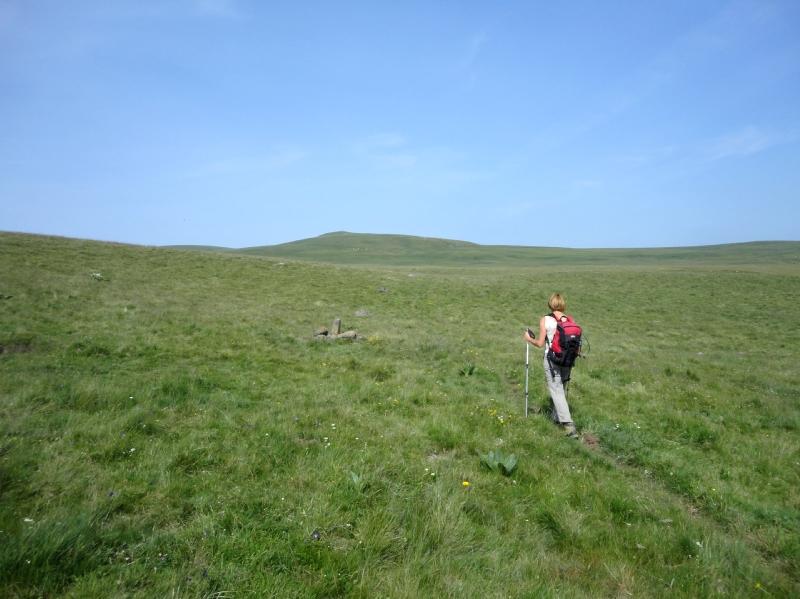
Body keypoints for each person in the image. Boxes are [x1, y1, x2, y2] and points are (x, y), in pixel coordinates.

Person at [523, 293, 578, 437]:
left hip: (552, 359)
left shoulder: (545, 320)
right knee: (561, 389)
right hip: (567, 360)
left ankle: (568, 425)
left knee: (556, 390)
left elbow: (540, 343)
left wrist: (529, 339)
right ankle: (556, 418)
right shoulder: (569, 320)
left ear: (550, 304)